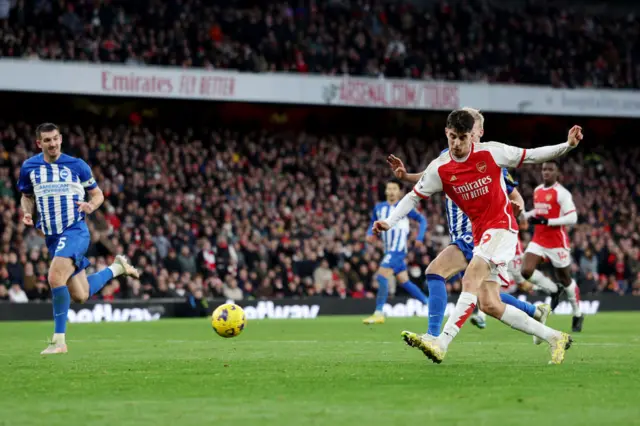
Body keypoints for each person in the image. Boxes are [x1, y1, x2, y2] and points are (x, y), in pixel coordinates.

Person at [373, 109, 582, 364]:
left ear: (472, 136)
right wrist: (389, 221)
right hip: (480, 233)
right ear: (446, 134)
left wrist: (567, 146)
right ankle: (554, 337)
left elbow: (532, 156)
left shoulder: (491, 152)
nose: (457, 144)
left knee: (470, 277)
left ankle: (440, 342)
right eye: (452, 137)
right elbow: (414, 196)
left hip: (502, 228)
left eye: (462, 137)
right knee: (489, 304)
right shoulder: (441, 167)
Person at [387, 108, 550, 336]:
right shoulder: (448, 158)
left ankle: (434, 336)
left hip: (476, 232)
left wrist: (519, 211)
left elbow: (514, 194)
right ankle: (534, 311)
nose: (464, 138)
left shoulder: (489, 158)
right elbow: (427, 176)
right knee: (484, 296)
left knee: (436, 272)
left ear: (478, 133)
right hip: (464, 233)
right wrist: (406, 177)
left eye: (469, 132)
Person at [18, 123, 140, 355]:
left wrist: (91, 205)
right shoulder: (29, 167)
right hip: (52, 238)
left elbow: (98, 194)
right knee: (80, 295)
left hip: (75, 231)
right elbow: (26, 197)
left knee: (55, 277)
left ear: (61, 139)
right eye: (47, 140)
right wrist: (26, 212)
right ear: (39, 143)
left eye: (55, 139)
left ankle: (59, 341)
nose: (52, 144)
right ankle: (116, 268)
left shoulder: (77, 166)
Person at [522, 160, 583, 332]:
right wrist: (526, 215)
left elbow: (572, 218)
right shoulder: (538, 190)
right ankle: (554, 290)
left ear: (557, 174)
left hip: (557, 242)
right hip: (539, 239)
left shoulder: (562, 193)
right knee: (526, 271)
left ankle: (577, 313)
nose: (546, 172)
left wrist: (546, 221)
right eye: (544, 169)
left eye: (550, 170)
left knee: (566, 278)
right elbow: (540, 211)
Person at [363, 178, 429, 324]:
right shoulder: (379, 208)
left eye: (394, 189)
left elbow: (422, 220)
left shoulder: (404, 206)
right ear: (386, 191)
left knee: (381, 276)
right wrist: (369, 234)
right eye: (389, 188)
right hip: (388, 250)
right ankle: (430, 305)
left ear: (399, 192)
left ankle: (379, 312)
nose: (391, 192)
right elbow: (372, 223)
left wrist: (420, 237)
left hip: (398, 250)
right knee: (404, 281)